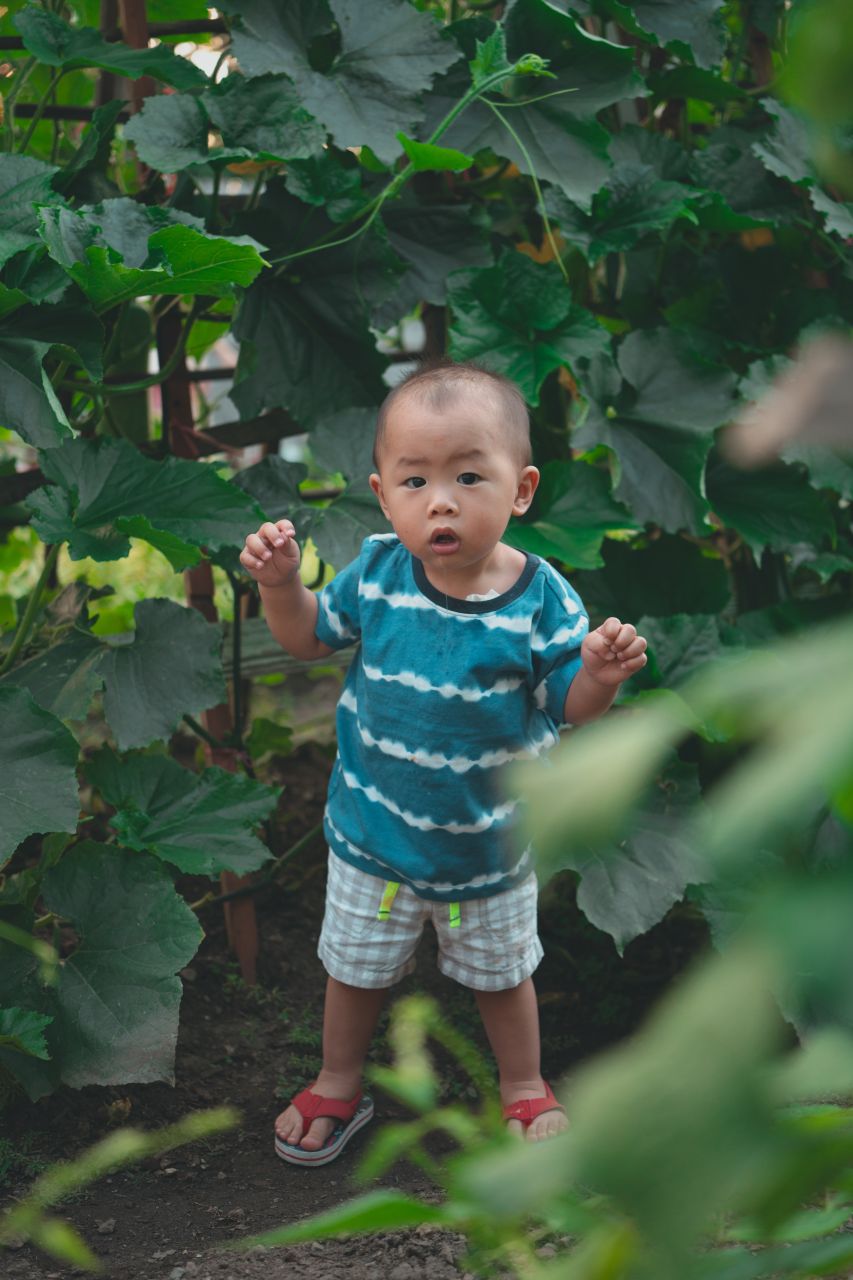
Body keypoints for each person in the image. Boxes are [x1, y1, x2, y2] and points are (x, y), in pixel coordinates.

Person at [240, 360, 647, 1166]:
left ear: (520, 489)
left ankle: (523, 1086)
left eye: (468, 475)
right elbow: (309, 637)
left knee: (502, 979)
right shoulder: (381, 572)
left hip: (487, 848)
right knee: (353, 975)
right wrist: (282, 588)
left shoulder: (541, 598)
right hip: (373, 838)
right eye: (415, 480)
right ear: (383, 494)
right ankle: (338, 1080)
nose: (442, 500)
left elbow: (565, 703)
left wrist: (596, 675)